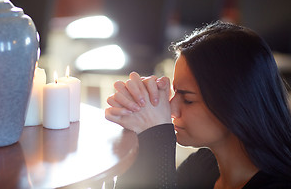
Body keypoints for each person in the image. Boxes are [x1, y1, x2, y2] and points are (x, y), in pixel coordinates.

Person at [105, 21, 291, 189]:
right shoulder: (201, 167)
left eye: (188, 100)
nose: (171, 108)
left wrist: (158, 136)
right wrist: (138, 132)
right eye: (175, 92)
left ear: (234, 104)